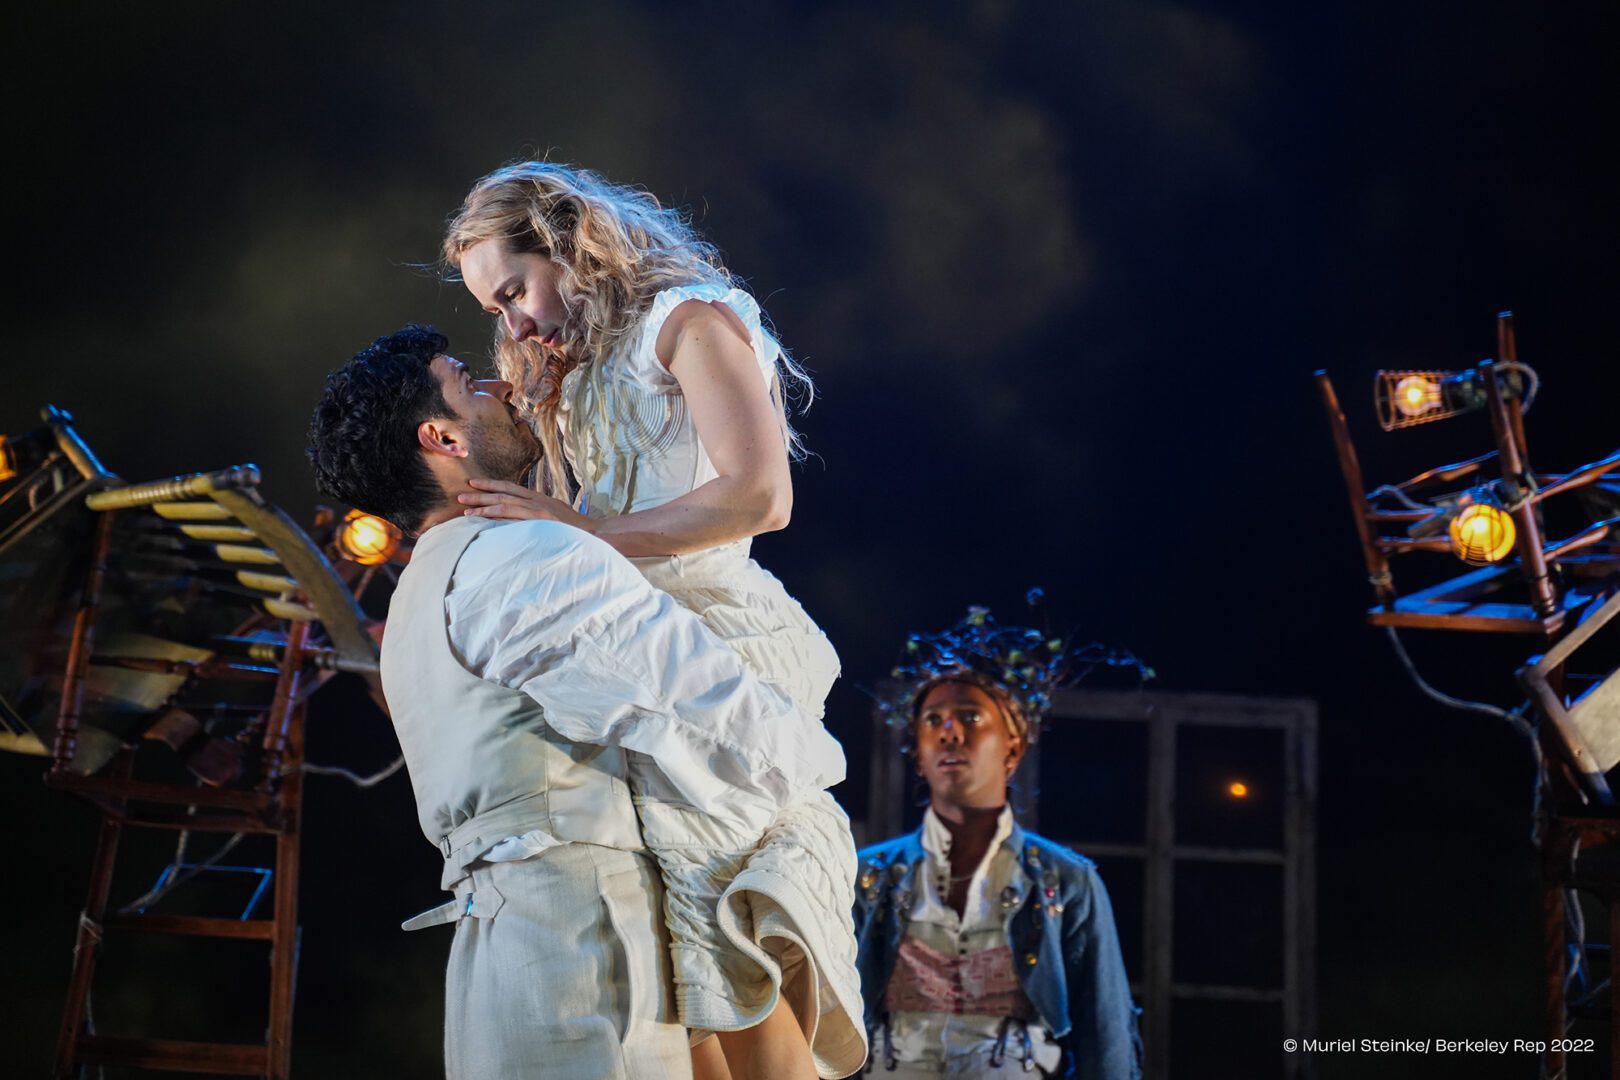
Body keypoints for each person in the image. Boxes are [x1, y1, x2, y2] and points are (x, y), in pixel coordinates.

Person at [305, 325, 850, 1080]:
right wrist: (815, 773)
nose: (500, 388)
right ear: (443, 437)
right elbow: (708, 711)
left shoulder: (412, 603)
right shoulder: (522, 554)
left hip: (498, 956)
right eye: (468, 383)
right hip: (587, 953)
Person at [439, 161, 864, 1080]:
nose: (515, 323)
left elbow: (761, 496)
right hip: (625, 662)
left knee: (731, 965)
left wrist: (584, 535)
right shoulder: (572, 365)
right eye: (495, 310)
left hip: (714, 654)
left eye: (515, 291)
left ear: (569, 244)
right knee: (678, 991)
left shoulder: (690, 321)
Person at [854, 608, 1144, 1078]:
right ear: (918, 756)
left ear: (1014, 745)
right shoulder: (865, 876)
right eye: (932, 720)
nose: (949, 732)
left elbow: (1105, 1031)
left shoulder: (1066, 881)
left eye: (969, 717)